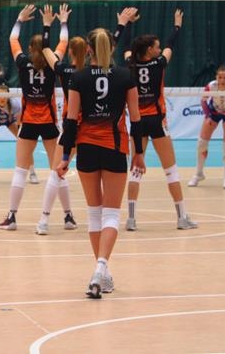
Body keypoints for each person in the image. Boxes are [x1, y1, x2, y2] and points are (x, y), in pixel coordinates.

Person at [56, 27, 144, 298]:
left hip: (86, 149)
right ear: (112, 48)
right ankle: (101, 268)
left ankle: (101, 272)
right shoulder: (125, 76)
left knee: (95, 213)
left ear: (88, 49)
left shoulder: (78, 77)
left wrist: (65, 156)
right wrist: (139, 153)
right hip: (115, 148)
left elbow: (71, 120)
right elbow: (136, 118)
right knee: (111, 214)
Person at [124, 8, 198, 231]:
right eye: (155, 47)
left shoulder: (130, 64)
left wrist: (127, 23)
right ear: (149, 50)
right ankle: (181, 217)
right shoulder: (159, 64)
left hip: (137, 122)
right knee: (171, 170)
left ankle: (131, 219)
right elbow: (170, 45)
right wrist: (177, 26)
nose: (159, 49)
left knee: (135, 171)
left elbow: (127, 47)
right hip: (156, 121)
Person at [0, 4, 70, 231]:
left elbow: (12, 39)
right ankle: (68, 217)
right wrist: (63, 22)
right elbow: (64, 42)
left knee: (20, 170)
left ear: (30, 48)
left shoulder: (22, 63)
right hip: (48, 123)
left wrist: (19, 20)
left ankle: (12, 217)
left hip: (28, 122)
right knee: (57, 170)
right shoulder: (53, 63)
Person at [33, 25, 88, 235]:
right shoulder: (92, 72)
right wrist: (122, 26)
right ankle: (96, 219)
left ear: (71, 51)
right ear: (88, 51)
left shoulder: (64, 70)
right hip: (92, 127)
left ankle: (43, 221)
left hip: (71, 126)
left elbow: (46, 48)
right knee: (97, 173)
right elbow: (112, 46)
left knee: (56, 172)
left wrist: (49, 25)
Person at [188, 66, 225, 189]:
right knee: (202, 142)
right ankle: (198, 174)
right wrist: (208, 116)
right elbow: (203, 101)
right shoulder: (211, 86)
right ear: (216, 77)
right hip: (214, 111)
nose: (222, 80)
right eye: (220, 77)